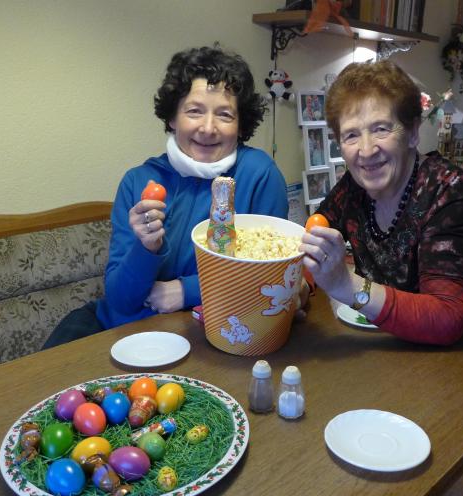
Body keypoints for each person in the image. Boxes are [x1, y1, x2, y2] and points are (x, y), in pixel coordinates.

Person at [43, 46, 288, 348]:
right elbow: (120, 300)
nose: (208, 128)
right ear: (173, 117)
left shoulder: (259, 175)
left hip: (208, 331)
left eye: (224, 115)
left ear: (240, 125)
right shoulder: (138, 181)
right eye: (194, 111)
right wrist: (147, 247)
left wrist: (186, 291)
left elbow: (271, 275)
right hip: (117, 328)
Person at [299, 61, 463, 345]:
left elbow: (448, 317)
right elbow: (315, 236)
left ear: (413, 133)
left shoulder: (447, 189)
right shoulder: (354, 186)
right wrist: (300, 286)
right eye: (351, 135)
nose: (366, 150)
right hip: (399, 345)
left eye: (381, 129)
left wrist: (346, 285)